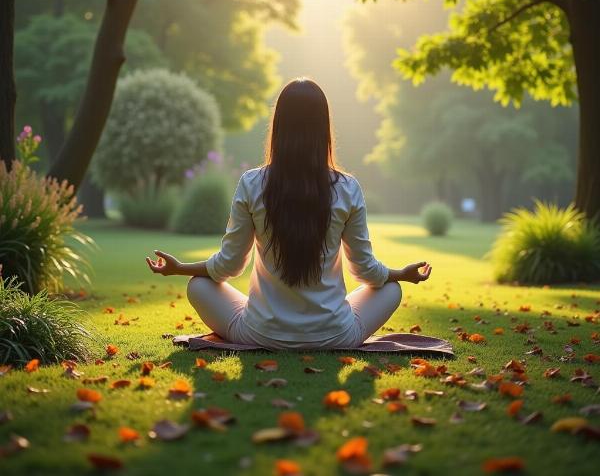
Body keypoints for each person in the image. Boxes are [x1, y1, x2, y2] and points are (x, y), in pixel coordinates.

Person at [146, 78, 431, 349]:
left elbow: (228, 267)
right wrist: (401, 275)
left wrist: (179, 268)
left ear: (278, 126)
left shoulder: (252, 183)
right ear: (324, 129)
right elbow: (365, 271)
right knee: (392, 289)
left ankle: (269, 318)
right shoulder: (347, 188)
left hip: (260, 334)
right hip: (334, 336)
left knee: (199, 286)